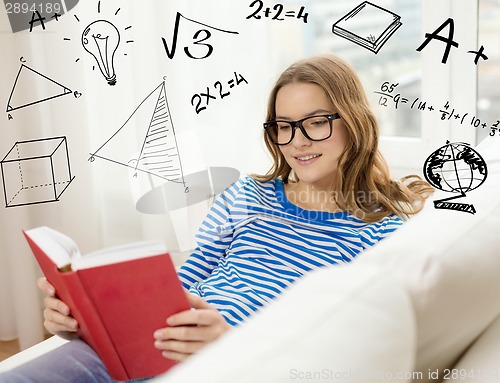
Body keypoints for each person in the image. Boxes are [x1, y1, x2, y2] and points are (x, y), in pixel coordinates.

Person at [0, 54, 431, 382]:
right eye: (283, 126)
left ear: (353, 122)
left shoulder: (380, 233)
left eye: (316, 123)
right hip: (156, 348)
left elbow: (339, 351)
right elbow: (184, 286)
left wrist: (228, 343)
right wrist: (87, 320)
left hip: (241, 366)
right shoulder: (246, 194)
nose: (296, 142)